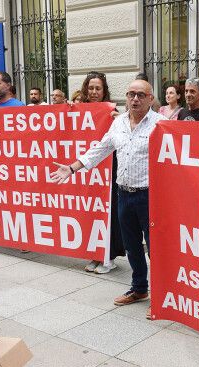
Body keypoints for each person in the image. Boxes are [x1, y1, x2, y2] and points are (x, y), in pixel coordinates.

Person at [52, 78, 164, 316]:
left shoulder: (161, 124)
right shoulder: (119, 123)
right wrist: (72, 167)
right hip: (123, 194)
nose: (135, 99)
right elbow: (101, 148)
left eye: (141, 95)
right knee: (132, 246)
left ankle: (162, 298)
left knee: (155, 249)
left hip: (150, 197)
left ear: (150, 99)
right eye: (131, 94)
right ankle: (139, 288)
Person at [77, 71, 126, 274]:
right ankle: (94, 254)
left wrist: (120, 118)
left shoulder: (114, 112)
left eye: (98, 88)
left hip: (108, 169)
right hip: (87, 168)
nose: (94, 92)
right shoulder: (79, 110)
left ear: (104, 91)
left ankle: (108, 256)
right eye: (91, 88)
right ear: (85, 90)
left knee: (108, 211)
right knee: (90, 210)